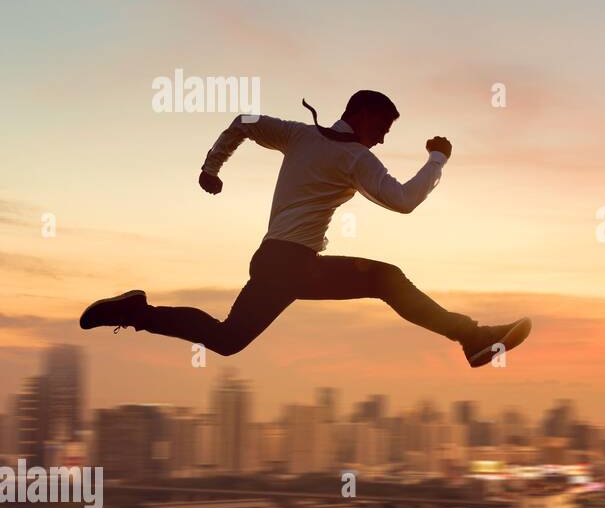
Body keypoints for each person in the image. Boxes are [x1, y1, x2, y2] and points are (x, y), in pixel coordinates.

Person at [79, 90, 530, 368]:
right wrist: (437, 160)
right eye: (386, 127)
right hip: (293, 264)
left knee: (227, 339)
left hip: (276, 260)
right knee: (386, 278)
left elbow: (243, 122)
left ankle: (136, 312)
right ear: (366, 116)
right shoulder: (356, 158)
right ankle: (473, 337)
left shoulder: (300, 135)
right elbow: (404, 201)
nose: (385, 138)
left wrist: (211, 168)